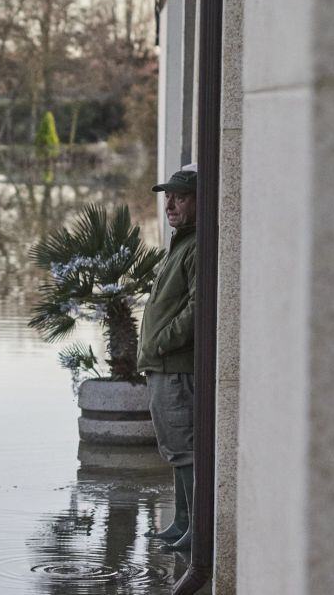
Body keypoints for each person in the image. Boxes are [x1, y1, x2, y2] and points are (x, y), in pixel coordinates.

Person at [138, 167, 197, 553]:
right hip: (163, 366)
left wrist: (161, 342)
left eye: (179, 196)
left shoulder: (197, 246)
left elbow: (199, 306)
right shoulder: (182, 242)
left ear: (200, 202)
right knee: (175, 448)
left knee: (187, 449)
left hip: (176, 367)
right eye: (167, 196)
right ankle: (180, 522)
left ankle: (197, 528)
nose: (170, 203)